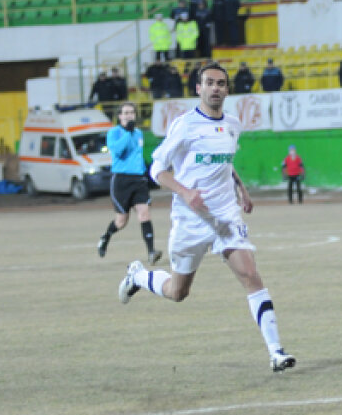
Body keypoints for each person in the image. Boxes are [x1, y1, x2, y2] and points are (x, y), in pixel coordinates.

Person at [116, 62, 294, 373]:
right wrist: (185, 192)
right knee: (178, 292)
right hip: (190, 220)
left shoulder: (233, 125)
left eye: (221, 83)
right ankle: (138, 276)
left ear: (227, 89)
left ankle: (277, 352)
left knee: (251, 276)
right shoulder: (185, 126)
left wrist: (242, 190)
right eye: (209, 82)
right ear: (198, 88)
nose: (215, 88)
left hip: (225, 216)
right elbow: (156, 170)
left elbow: (225, 162)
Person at [98, 102, 161, 265]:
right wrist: (127, 132)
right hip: (121, 179)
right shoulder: (114, 133)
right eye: (125, 113)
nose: (129, 115)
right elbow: (118, 151)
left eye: (131, 112)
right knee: (121, 221)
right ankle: (105, 237)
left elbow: (138, 155)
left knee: (144, 213)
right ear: (119, 116)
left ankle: (151, 252)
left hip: (138, 179)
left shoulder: (139, 133)